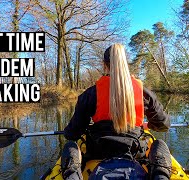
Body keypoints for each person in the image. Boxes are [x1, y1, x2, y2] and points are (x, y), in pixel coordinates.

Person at [61, 43, 172, 180]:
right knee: (160, 144)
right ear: (125, 63)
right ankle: (160, 174)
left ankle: (72, 174)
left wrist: (82, 128)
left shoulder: (90, 94)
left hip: (98, 150)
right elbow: (163, 125)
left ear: (104, 64)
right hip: (133, 150)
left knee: (70, 146)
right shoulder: (143, 93)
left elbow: (72, 133)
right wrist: (149, 125)